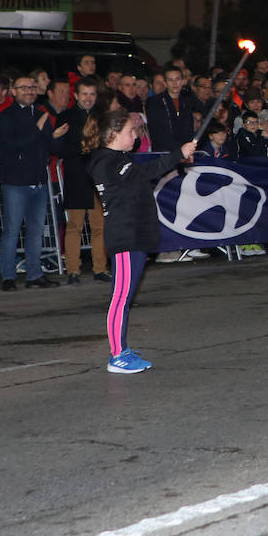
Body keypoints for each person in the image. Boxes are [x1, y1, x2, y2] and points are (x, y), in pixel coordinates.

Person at [87, 108, 196, 373]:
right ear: (113, 135)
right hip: (125, 237)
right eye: (130, 131)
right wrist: (178, 154)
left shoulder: (117, 160)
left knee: (125, 296)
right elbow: (146, 172)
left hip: (135, 235)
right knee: (120, 298)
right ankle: (117, 355)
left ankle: (122, 349)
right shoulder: (107, 162)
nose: (136, 136)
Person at [0, 75, 69, 291]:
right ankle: (8, 277)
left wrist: (56, 137)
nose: (29, 91)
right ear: (13, 91)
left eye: (32, 87)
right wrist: (37, 129)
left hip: (38, 181)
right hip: (15, 183)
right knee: (12, 231)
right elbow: (11, 145)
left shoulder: (39, 115)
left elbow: (50, 148)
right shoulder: (6, 117)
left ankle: (34, 274)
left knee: (36, 231)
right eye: (24, 88)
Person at [58, 78, 110, 284]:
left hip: (97, 178)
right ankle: (73, 270)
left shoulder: (102, 117)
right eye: (85, 94)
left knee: (100, 226)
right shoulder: (65, 117)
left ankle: (100, 268)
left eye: (92, 94)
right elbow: (61, 147)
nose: (89, 98)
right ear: (76, 95)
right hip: (77, 178)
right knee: (74, 226)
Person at [144, 66, 200, 153]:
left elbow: (189, 129)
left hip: (186, 151)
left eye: (177, 79)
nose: (175, 83)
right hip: (163, 152)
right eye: (170, 80)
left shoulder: (187, 101)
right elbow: (157, 131)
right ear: (165, 83)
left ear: (182, 81)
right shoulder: (155, 102)